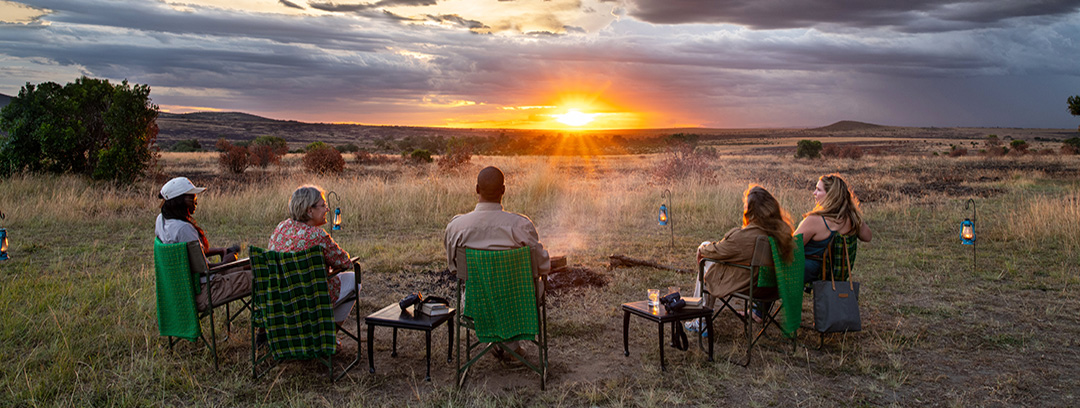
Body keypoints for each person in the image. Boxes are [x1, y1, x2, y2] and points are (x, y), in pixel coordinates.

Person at [445, 166, 550, 359]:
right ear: (503, 190)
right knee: (536, 284)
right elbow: (542, 267)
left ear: (477, 189)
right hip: (519, 302)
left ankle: (497, 342)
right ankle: (510, 346)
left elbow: (453, 267)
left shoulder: (456, 227)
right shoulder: (521, 225)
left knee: (480, 289)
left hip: (475, 303)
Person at [154, 176, 248, 312]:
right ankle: (263, 330)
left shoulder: (162, 221)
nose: (195, 202)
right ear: (179, 201)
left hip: (182, 289)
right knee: (260, 275)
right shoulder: (184, 229)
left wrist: (220, 250)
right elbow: (204, 269)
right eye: (191, 198)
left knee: (249, 266)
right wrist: (226, 262)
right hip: (206, 290)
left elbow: (189, 256)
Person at [697, 184, 795, 313]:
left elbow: (717, 251)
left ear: (751, 210)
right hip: (773, 288)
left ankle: (701, 318)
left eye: (745, 205)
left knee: (705, 254)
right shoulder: (782, 233)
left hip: (750, 286)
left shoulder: (746, 236)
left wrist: (702, 249)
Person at [268, 185, 358, 324]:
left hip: (280, 298)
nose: (327, 209)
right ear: (310, 210)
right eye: (323, 205)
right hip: (310, 300)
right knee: (354, 280)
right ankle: (329, 336)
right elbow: (345, 262)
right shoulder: (317, 236)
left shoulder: (282, 227)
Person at [794, 173, 872, 284]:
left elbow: (791, 248)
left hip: (809, 272)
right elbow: (868, 237)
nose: (814, 193)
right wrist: (855, 215)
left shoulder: (815, 220)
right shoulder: (852, 219)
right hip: (833, 275)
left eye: (818, 190)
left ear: (831, 195)